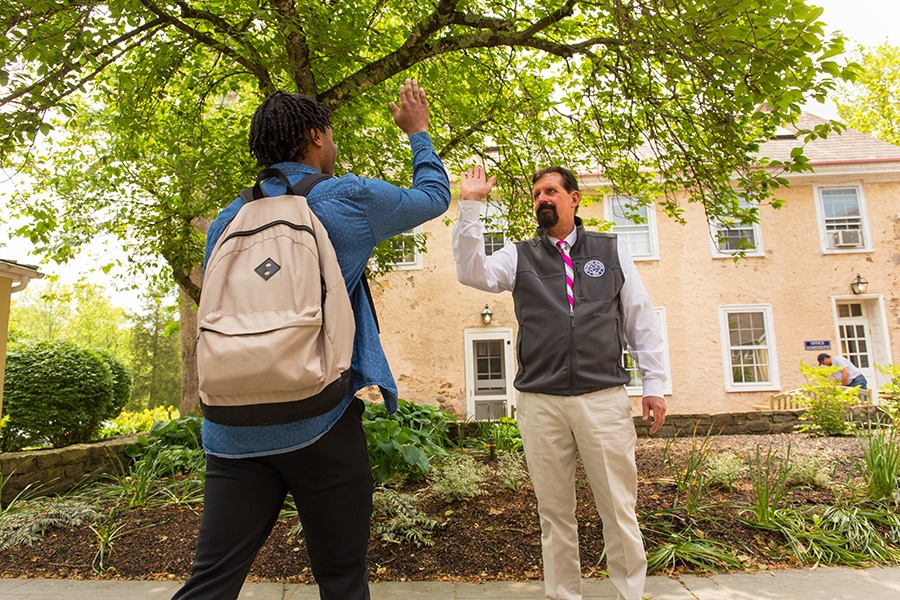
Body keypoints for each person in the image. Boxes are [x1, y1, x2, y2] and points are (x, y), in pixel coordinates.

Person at [173, 79, 451, 600]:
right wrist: (418, 132)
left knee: (210, 581)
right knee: (342, 579)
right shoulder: (348, 198)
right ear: (314, 136)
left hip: (234, 426)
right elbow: (433, 197)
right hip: (318, 419)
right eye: (331, 132)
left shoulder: (227, 220)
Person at [452, 165, 666, 600]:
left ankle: (629, 593)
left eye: (550, 191)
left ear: (574, 199)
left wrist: (655, 384)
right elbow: (471, 271)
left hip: (602, 397)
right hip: (540, 401)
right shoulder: (519, 256)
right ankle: (564, 595)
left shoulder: (610, 250)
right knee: (554, 512)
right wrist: (470, 205)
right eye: (536, 195)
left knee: (619, 509)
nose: (542, 199)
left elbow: (639, 317)